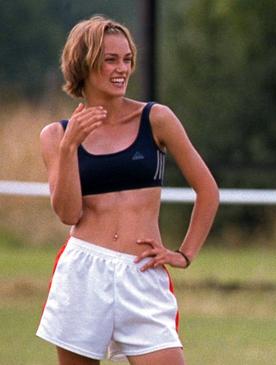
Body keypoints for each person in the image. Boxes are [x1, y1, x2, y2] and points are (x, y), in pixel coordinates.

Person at [36, 15, 219, 365]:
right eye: (110, 59)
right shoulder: (56, 136)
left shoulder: (156, 119)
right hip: (83, 275)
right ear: (84, 63)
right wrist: (69, 148)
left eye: (127, 59)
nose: (122, 69)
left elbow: (208, 191)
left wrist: (184, 254)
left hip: (142, 273)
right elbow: (68, 214)